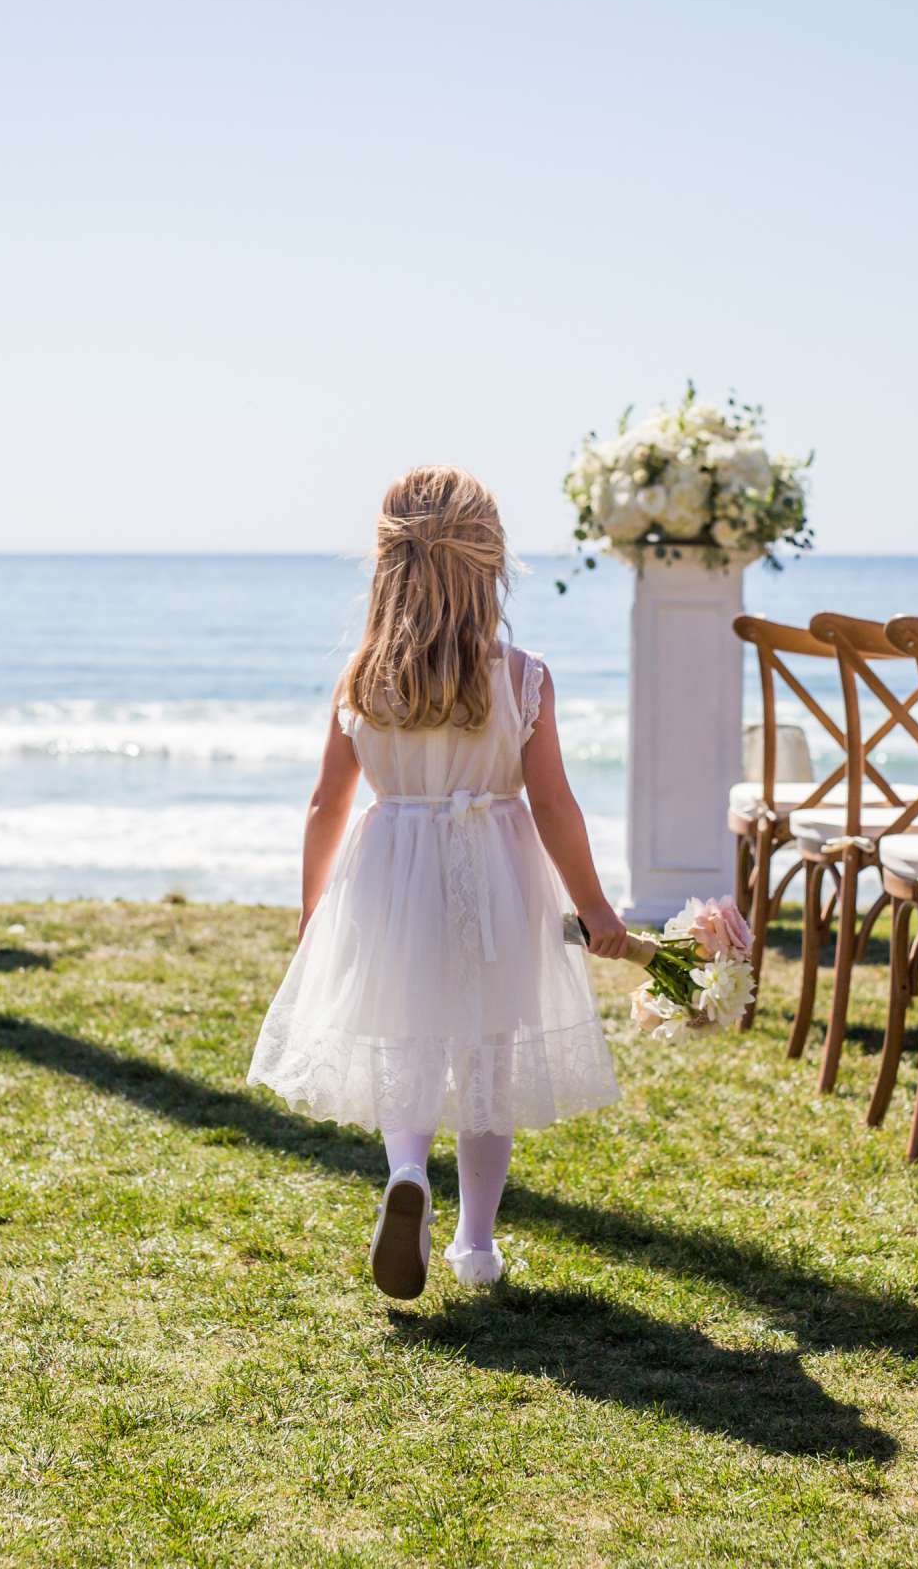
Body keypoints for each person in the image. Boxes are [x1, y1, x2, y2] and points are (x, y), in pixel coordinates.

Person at [247, 465, 631, 1298]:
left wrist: (315, 909)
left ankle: (407, 1171)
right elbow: (556, 803)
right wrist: (594, 906)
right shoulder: (522, 675)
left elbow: (325, 804)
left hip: (390, 873)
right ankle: (476, 1246)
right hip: (494, 869)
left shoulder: (364, 677)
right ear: (490, 563)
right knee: (488, 1056)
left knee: (405, 1040)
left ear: (388, 566)